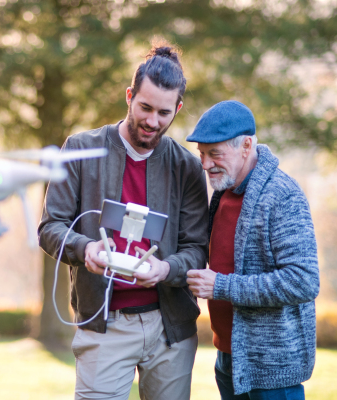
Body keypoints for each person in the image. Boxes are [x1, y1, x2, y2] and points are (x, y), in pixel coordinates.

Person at [38, 41, 209, 400]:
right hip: (103, 325)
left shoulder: (187, 167)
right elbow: (50, 227)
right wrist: (86, 248)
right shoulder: (81, 149)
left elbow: (197, 249)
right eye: (145, 107)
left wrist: (165, 270)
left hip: (170, 328)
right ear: (129, 96)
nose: (152, 121)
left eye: (164, 113)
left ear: (177, 108)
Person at [185, 100, 320, 400]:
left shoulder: (283, 195)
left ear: (246, 146)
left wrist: (221, 286)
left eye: (215, 154)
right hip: (229, 360)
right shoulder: (223, 193)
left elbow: (304, 281)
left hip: (271, 372)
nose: (206, 164)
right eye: (202, 155)